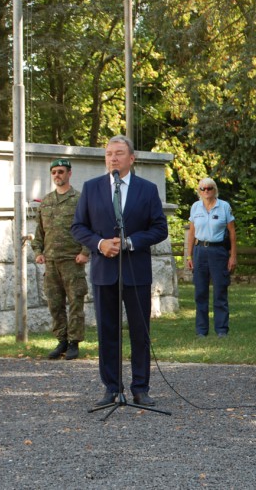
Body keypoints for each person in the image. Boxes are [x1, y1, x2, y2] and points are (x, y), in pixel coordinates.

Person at [71, 135, 169, 407]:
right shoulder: (91, 188)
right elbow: (78, 226)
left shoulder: (147, 189)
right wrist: (100, 244)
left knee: (139, 332)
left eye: (119, 153)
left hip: (136, 271)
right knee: (107, 331)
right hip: (104, 272)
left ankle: (141, 387)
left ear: (131, 158)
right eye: (109, 154)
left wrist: (130, 242)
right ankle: (111, 387)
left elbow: (160, 228)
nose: (113, 158)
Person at [32, 158, 89, 360]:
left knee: (75, 304)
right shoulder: (46, 202)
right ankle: (61, 340)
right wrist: (38, 252)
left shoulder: (79, 199)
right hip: (51, 263)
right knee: (55, 305)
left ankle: (74, 342)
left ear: (69, 174)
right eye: (54, 172)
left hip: (72, 261)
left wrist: (85, 252)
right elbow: (40, 231)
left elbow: (89, 227)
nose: (57, 175)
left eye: (61, 171)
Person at [185, 178, 237, 337]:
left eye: (209, 188)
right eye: (203, 189)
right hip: (200, 251)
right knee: (200, 292)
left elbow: (232, 233)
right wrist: (189, 256)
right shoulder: (195, 207)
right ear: (199, 191)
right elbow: (192, 233)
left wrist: (233, 256)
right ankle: (201, 330)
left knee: (220, 290)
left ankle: (221, 329)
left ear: (215, 190)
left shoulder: (224, 206)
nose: (206, 191)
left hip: (218, 251)